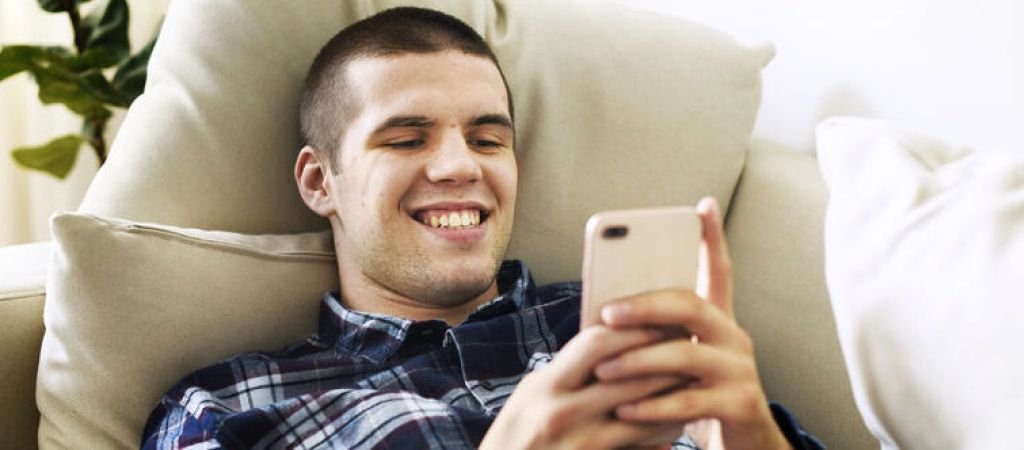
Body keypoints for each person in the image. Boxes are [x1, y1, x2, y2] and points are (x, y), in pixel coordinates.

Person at [141, 7, 824, 450]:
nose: (460, 166)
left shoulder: (631, 335)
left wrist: (754, 436)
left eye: (488, 139)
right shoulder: (227, 406)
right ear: (321, 181)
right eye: (406, 139)